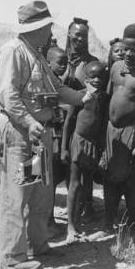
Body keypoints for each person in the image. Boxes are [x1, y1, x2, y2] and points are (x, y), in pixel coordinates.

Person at [0, 0, 96, 269]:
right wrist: (27, 121)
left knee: (38, 193)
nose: (51, 31)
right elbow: (7, 94)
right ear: (36, 28)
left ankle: (36, 245)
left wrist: (82, 97)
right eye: (47, 26)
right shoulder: (13, 52)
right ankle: (14, 255)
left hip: (35, 137)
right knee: (18, 195)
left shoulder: (36, 54)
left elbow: (57, 88)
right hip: (20, 135)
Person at [100, 24, 135, 230]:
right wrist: (101, 136)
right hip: (110, 131)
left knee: (131, 180)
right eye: (126, 48)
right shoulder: (115, 68)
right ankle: (107, 222)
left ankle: (134, 223)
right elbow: (108, 100)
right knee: (109, 178)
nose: (129, 54)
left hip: (131, 132)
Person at [63, 60, 109, 243]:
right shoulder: (80, 96)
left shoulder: (105, 98)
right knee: (75, 184)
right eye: (92, 76)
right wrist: (64, 149)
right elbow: (68, 123)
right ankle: (70, 227)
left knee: (87, 183)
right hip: (78, 142)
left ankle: (82, 219)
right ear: (86, 78)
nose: (96, 80)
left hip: (93, 144)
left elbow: (103, 123)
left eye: (100, 76)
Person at [62, 17, 99, 220]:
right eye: (77, 35)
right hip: (58, 120)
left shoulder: (91, 64)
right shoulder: (59, 59)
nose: (80, 39)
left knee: (82, 168)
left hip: (79, 122)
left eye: (84, 36)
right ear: (69, 34)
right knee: (61, 166)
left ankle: (86, 206)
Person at [45, 46, 70, 230]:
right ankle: (48, 220)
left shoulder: (58, 82)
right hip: (52, 137)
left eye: (66, 63)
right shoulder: (46, 83)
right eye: (60, 63)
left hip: (61, 136)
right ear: (48, 63)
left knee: (56, 177)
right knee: (49, 180)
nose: (63, 66)